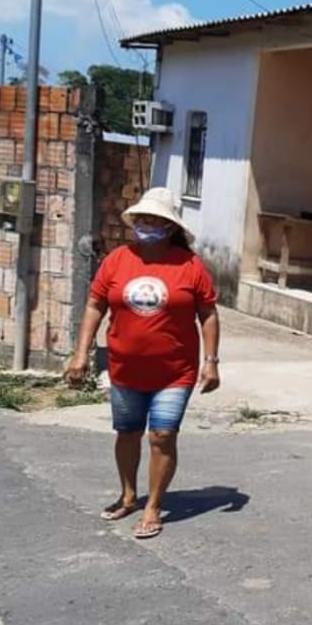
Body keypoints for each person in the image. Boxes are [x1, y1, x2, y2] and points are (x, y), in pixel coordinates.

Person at [64, 187, 220, 539]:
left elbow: (208, 314)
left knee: (162, 435)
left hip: (175, 372)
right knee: (128, 432)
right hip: (125, 368)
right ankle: (128, 496)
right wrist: (81, 353)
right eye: (143, 218)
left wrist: (211, 362)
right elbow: (95, 305)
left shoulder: (190, 265)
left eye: (156, 219)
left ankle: (153, 507)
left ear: (170, 226)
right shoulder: (117, 260)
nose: (148, 224)